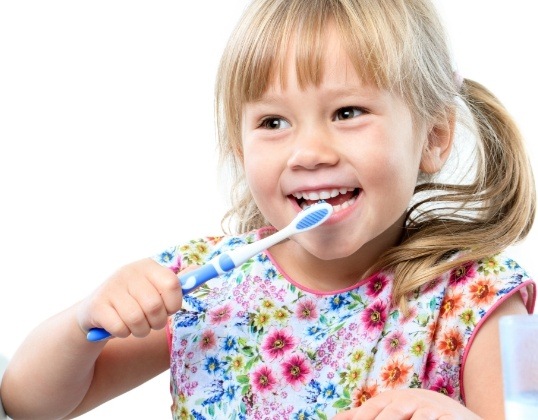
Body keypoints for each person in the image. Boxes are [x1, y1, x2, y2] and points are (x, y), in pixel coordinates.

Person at [1, 0, 535, 418]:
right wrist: (82, 321)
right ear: (240, 149)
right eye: (273, 122)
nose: (308, 153)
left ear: (434, 137)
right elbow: (30, 404)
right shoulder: (202, 288)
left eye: (348, 112)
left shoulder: (481, 300)